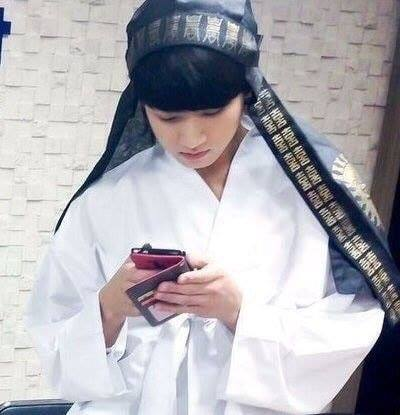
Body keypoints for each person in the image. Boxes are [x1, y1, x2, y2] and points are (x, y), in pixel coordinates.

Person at [23, 1, 400, 414]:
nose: (191, 138)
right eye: (167, 118)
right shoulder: (106, 199)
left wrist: (239, 313)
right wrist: (108, 309)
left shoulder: (312, 192)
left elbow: (353, 322)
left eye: (211, 112)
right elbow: (52, 332)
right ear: (142, 106)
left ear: (246, 93)